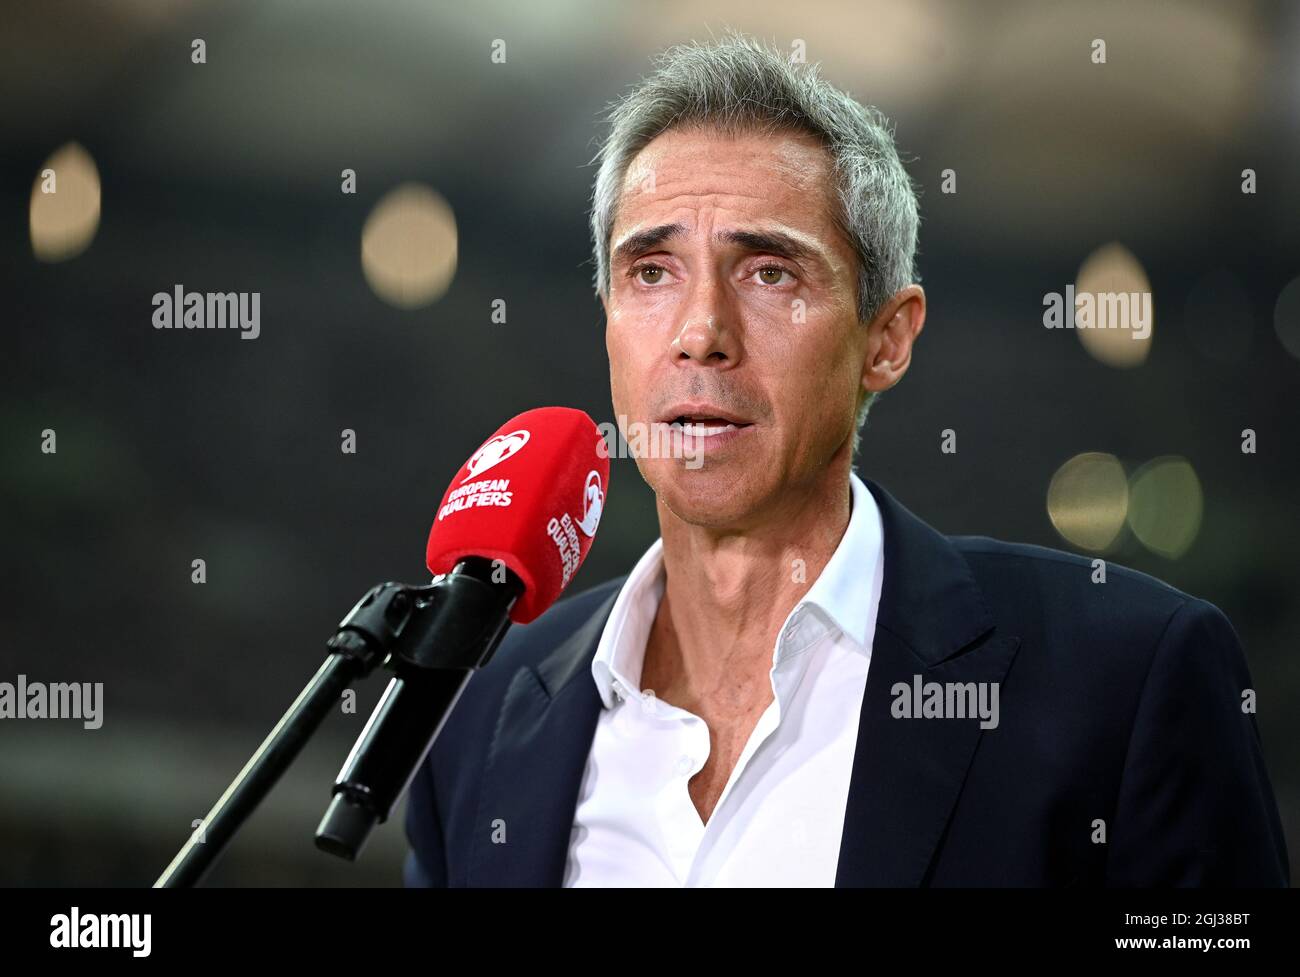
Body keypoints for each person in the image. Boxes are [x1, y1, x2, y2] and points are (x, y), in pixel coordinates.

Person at [404, 32, 1288, 887]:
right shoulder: (481, 709)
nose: (700, 334)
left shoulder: (1122, 679)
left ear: (887, 340)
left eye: (769, 272)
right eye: (652, 271)